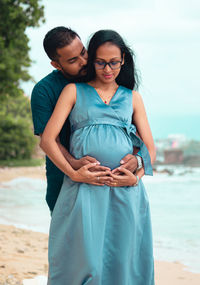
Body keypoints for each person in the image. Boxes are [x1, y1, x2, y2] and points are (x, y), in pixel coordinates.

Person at [40, 29, 156, 284]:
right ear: (92, 60)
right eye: (101, 62)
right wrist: (73, 173)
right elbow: (48, 140)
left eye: (113, 62)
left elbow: (150, 148)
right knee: (84, 261)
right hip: (84, 188)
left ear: (123, 59)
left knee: (123, 260)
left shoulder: (133, 97)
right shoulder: (72, 91)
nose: (107, 68)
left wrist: (135, 175)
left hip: (125, 192)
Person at [31, 27, 140, 213]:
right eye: (73, 60)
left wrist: (137, 161)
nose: (83, 61)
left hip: (114, 186)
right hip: (64, 178)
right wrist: (74, 166)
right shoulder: (44, 91)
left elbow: (131, 129)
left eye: (83, 52)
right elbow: (50, 140)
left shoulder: (104, 75)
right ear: (56, 65)